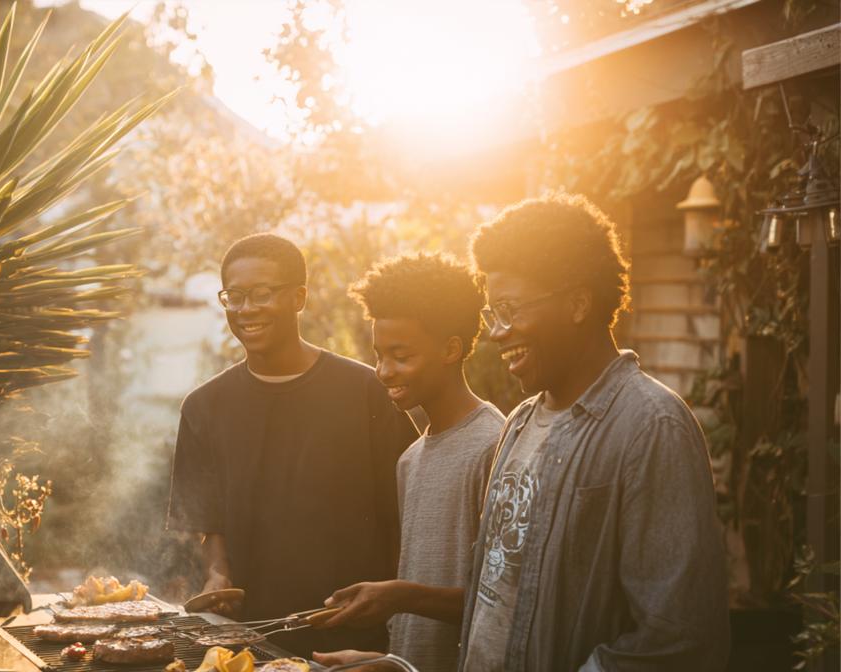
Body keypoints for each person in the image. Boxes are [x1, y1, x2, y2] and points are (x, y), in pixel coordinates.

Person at [455, 193, 729, 670]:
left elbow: (678, 637)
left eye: (510, 308)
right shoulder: (519, 422)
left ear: (578, 303)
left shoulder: (651, 427)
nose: (496, 332)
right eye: (491, 313)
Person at [166, 233, 418, 656]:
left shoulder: (366, 391)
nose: (246, 309)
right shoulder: (204, 407)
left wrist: (391, 614)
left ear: (299, 297)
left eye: (262, 294)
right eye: (235, 296)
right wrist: (218, 575)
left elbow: (407, 516)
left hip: (355, 641)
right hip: (249, 643)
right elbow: (210, 525)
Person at [312, 252, 505, 672]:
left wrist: (399, 596)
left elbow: (507, 598)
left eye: (401, 356)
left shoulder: (496, 445)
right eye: (379, 354)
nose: (382, 371)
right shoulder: (411, 459)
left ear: (451, 348)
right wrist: (386, 661)